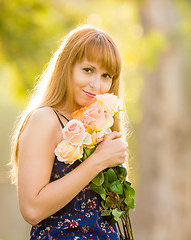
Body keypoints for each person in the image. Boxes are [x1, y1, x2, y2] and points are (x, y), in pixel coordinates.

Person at [9, 25, 129, 239]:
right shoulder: (45, 119)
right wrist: (98, 161)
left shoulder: (102, 127)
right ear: (67, 67)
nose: (96, 85)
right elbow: (32, 210)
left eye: (106, 75)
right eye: (88, 70)